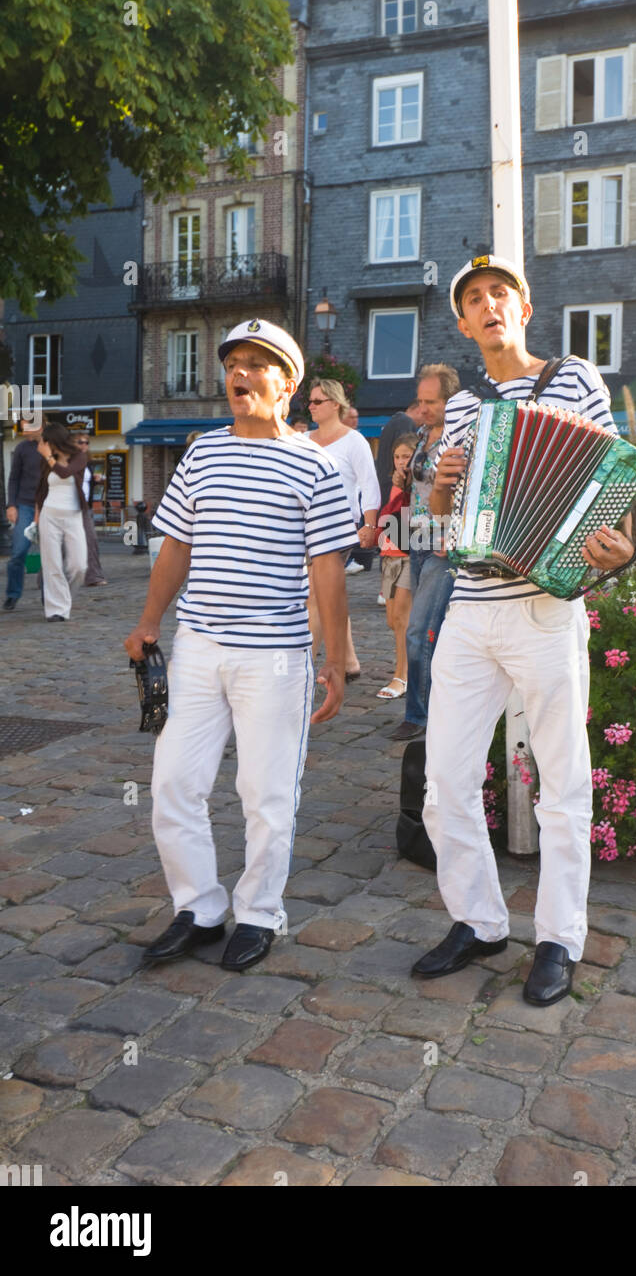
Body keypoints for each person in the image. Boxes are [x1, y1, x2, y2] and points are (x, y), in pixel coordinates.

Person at [411, 256, 633, 1006]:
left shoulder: (573, 379)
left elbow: (613, 475)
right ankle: (478, 921)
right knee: (444, 782)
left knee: (561, 781)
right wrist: (439, 494)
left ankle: (558, 938)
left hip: (544, 606)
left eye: (498, 292)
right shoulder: (464, 405)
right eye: (472, 299)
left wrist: (619, 546)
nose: (487, 304)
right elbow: (445, 526)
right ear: (464, 323)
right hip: (472, 607)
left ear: (524, 306)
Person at [124, 317, 356, 972]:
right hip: (197, 645)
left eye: (257, 363)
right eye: (233, 364)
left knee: (267, 792)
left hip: (275, 654)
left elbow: (328, 571)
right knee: (173, 782)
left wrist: (335, 659)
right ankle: (198, 907)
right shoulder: (202, 452)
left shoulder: (316, 463)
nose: (240, 374)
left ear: (288, 382)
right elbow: (177, 545)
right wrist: (148, 623)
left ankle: (258, 912)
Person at [389, 364, 460, 742]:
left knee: (420, 630)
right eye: (421, 401)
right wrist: (401, 477)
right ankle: (432, 709)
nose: (424, 408)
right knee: (430, 630)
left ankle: (419, 715)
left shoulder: (459, 438)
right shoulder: (421, 435)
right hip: (415, 538)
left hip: (443, 544)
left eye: (431, 402)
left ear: (450, 401)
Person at [305, 378, 380, 678]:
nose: (310, 406)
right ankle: (349, 662)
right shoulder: (304, 441)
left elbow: (368, 484)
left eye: (317, 401)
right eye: (309, 401)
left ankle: (303, 668)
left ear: (335, 404)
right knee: (330, 592)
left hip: (339, 527)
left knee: (314, 593)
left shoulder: (354, 441)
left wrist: (370, 525)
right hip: (305, 528)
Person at [374, 434, 417, 700]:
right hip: (389, 553)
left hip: (411, 553)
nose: (401, 461)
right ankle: (415, 669)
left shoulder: (418, 483)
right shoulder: (391, 483)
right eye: (398, 456)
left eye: (407, 456)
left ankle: (402, 676)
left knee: (402, 619)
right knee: (392, 620)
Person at [34, 424, 89, 622]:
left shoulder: (78, 456)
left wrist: (49, 457)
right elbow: (40, 490)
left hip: (73, 515)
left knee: (79, 566)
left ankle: (64, 599)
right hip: (49, 515)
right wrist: (36, 517)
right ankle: (56, 610)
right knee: (52, 565)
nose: (40, 445)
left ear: (51, 441)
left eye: (43, 441)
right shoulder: (46, 462)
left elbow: (66, 473)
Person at [3, 420, 42, 612]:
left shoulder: (53, 445)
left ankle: (49, 595)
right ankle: (13, 594)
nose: (23, 431)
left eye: (27, 427)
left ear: (40, 426)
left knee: (51, 555)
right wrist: (11, 505)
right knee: (18, 551)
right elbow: (13, 478)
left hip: (48, 505)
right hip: (24, 505)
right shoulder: (21, 448)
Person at [72, 431, 108, 586]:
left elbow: (86, 484)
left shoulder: (87, 462)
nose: (84, 445)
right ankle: (46, 577)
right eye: (80, 442)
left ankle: (93, 576)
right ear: (72, 444)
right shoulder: (68, 460)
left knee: (90, 539)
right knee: (62, 543)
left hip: (84, 506)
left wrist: (96, 480)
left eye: (87, 442)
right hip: (69, 505)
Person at [374, 400, 423, 501]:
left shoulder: (394, 422)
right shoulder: (405, 422)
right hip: (396, 492)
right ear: (419, 410)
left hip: (385, 491)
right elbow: (405, 456)